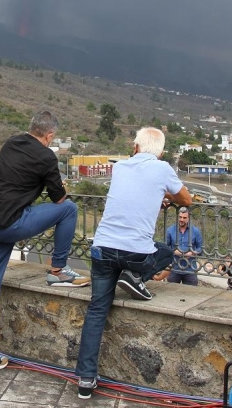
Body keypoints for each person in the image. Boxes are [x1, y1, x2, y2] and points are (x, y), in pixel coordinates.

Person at [75, 127, 192, 399]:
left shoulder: (121, 167)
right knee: (166, 250)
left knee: (96, 310)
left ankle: (85, 378)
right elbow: (186, 199)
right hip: (134, 254)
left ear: (135, 146)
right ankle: (133, 276)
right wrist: (167, 196)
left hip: (102, 249)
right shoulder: (162, 168)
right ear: (161, 152)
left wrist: (157, 197)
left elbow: (133, 197)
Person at [0, 110, 87, 376]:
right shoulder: (47, 156)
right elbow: (59, 198)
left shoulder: (12, 142)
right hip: (9, 224)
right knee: (69, 210)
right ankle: (57, 271)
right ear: (49, 135)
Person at [155, 206, 203, 285]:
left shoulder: (195, 231)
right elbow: (165, 247)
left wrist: (192, 253)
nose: (181, 220)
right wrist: (174, 251)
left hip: (190, 268)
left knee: (191, 293)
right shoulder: (170, 230)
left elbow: (200, 248)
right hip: (174, 268)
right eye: (180, 217)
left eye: (184, 218)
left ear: (188, 218)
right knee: (171, 293)